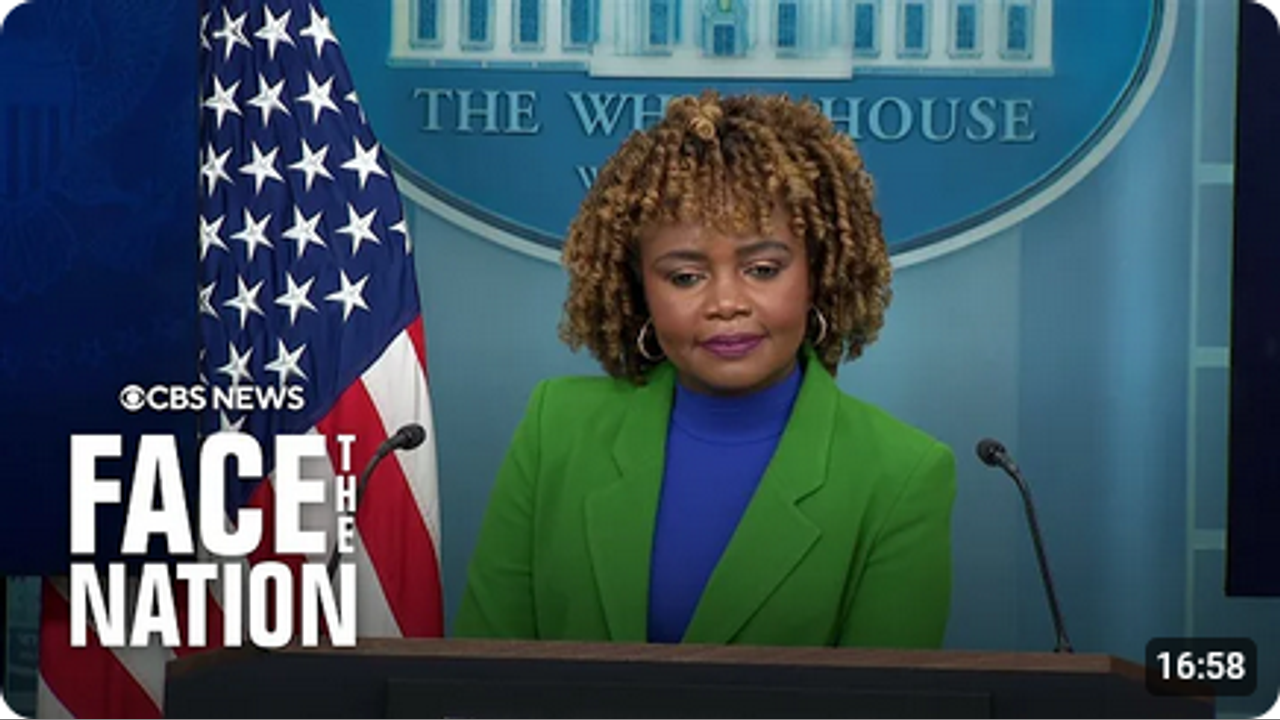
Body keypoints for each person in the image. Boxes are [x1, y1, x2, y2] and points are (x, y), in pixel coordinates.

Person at [453, 91, 957, 649]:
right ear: (640, 288)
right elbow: (479, 673)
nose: (726, 303)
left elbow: (883, 694)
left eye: (762, 269)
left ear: (816, 273)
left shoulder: (903, 475)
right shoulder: (557, 429)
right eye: (685, 277)